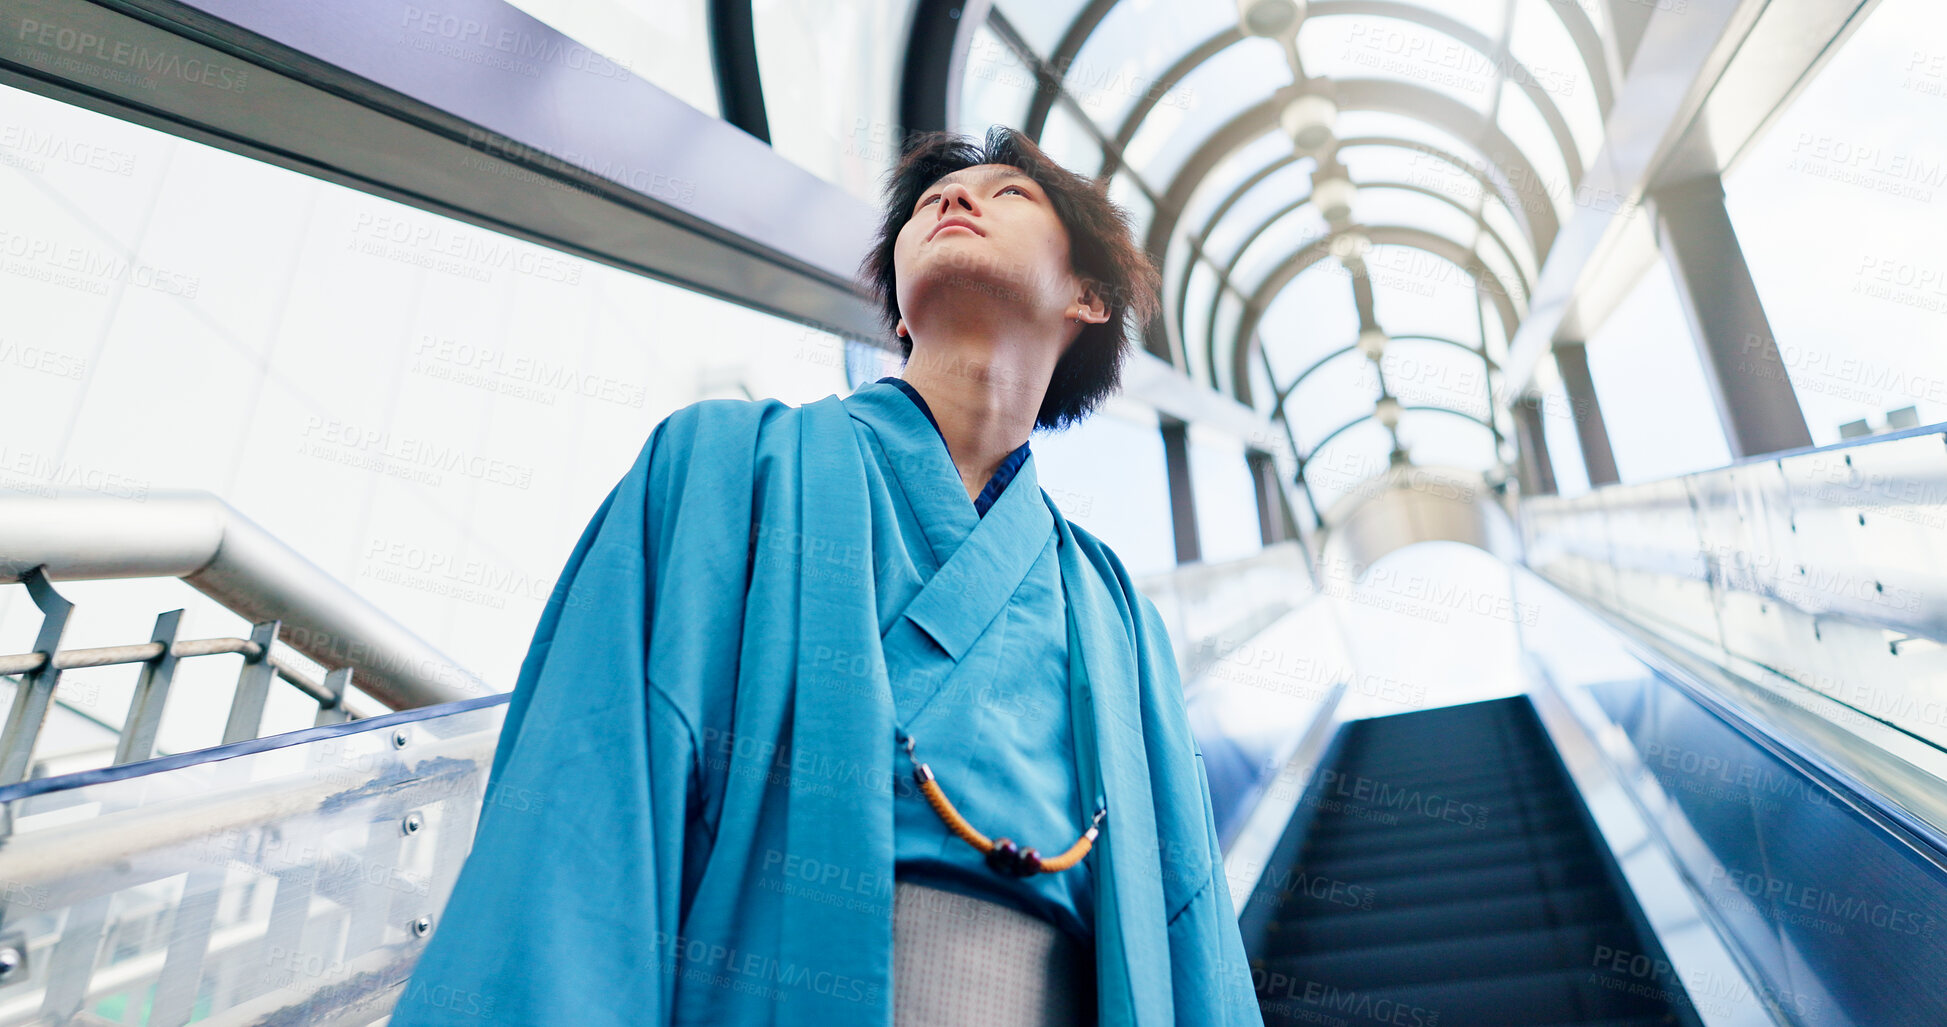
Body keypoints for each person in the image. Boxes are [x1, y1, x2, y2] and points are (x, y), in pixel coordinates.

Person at [387, 125, 1260, 1027]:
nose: (952, 201)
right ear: (897, 309)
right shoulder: (723, 463)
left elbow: (1188, 928)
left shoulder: (1115, 614)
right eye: (927, 204)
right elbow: (580, 806)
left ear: (1087, 293)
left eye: (1009, 195)